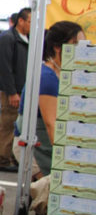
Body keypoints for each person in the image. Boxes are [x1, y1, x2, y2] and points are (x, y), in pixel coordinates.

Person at [18, 20, 86, 184]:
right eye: (75, 44)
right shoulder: (47, 77)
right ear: (57, 47)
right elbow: (52, 124)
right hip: (37, 150)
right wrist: (68, 159)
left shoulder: (63, 73)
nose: (81, 50)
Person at [0, 7, 31, 172]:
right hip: (12, 90)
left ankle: (12, 156)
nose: (32, 25)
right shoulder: (8, 38)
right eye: (30, 21)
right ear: (20, 21)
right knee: (8, 123)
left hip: (21, 88)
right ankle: (3, 158)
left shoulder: (25, 38)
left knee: (18, 124)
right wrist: (11, 92)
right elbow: (5, 67)